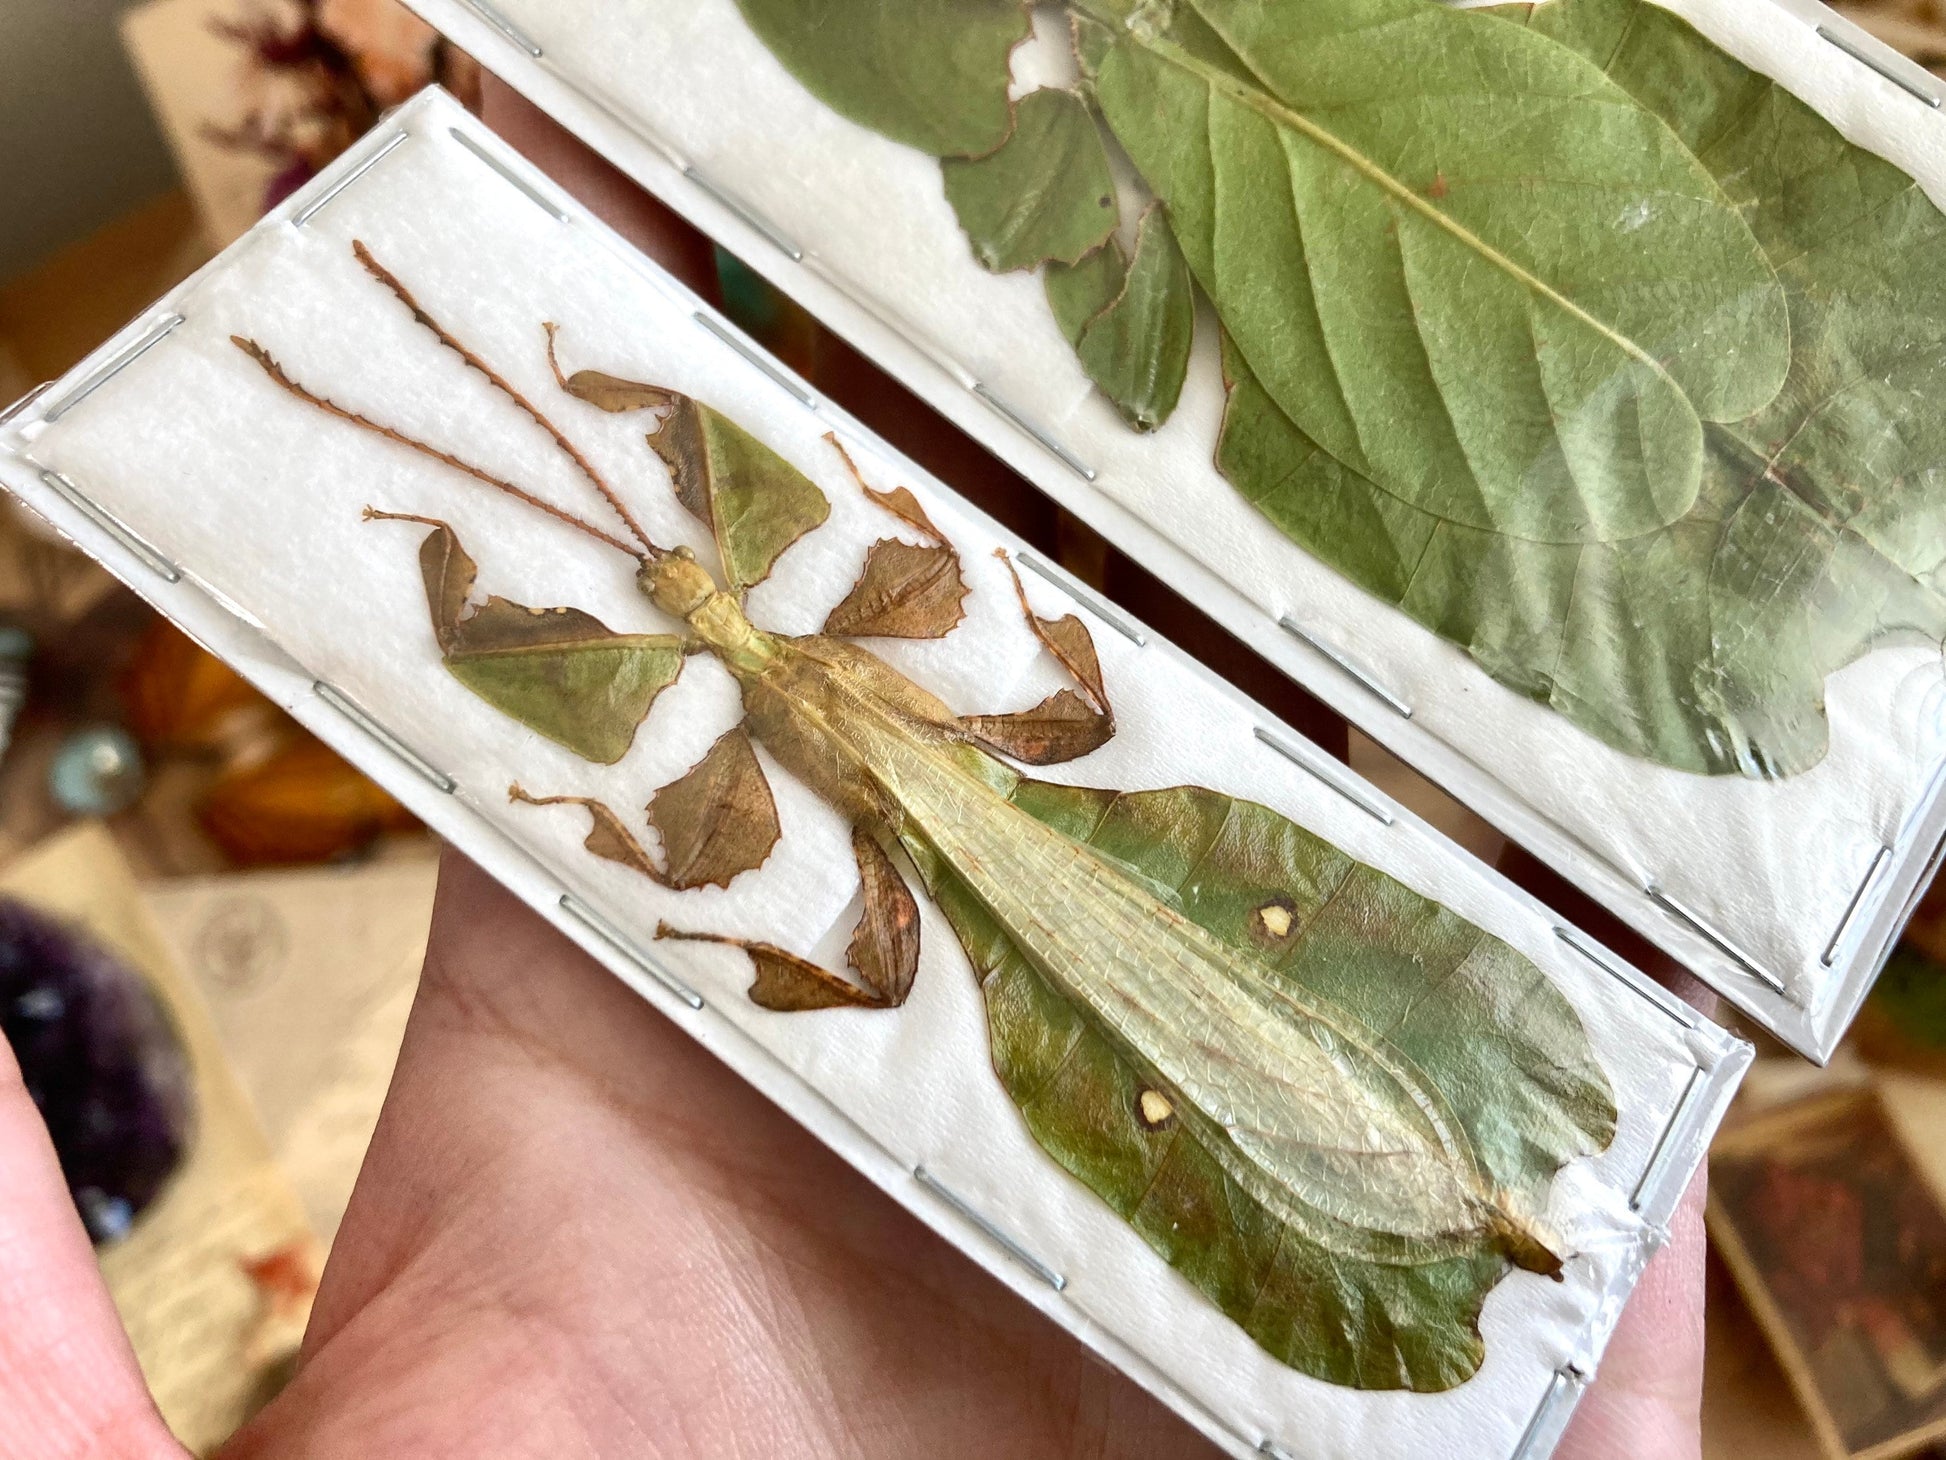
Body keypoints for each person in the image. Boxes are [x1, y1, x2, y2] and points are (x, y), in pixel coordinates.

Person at [0, 81, 1707, 1460]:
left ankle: (1473, 1194)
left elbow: (923, 743)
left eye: (693, 583)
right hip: (973, 860)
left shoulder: (766, 663)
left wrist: (646, 802)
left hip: (1014, 824)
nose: (688, 588)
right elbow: (913, 735)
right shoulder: (761, 662)